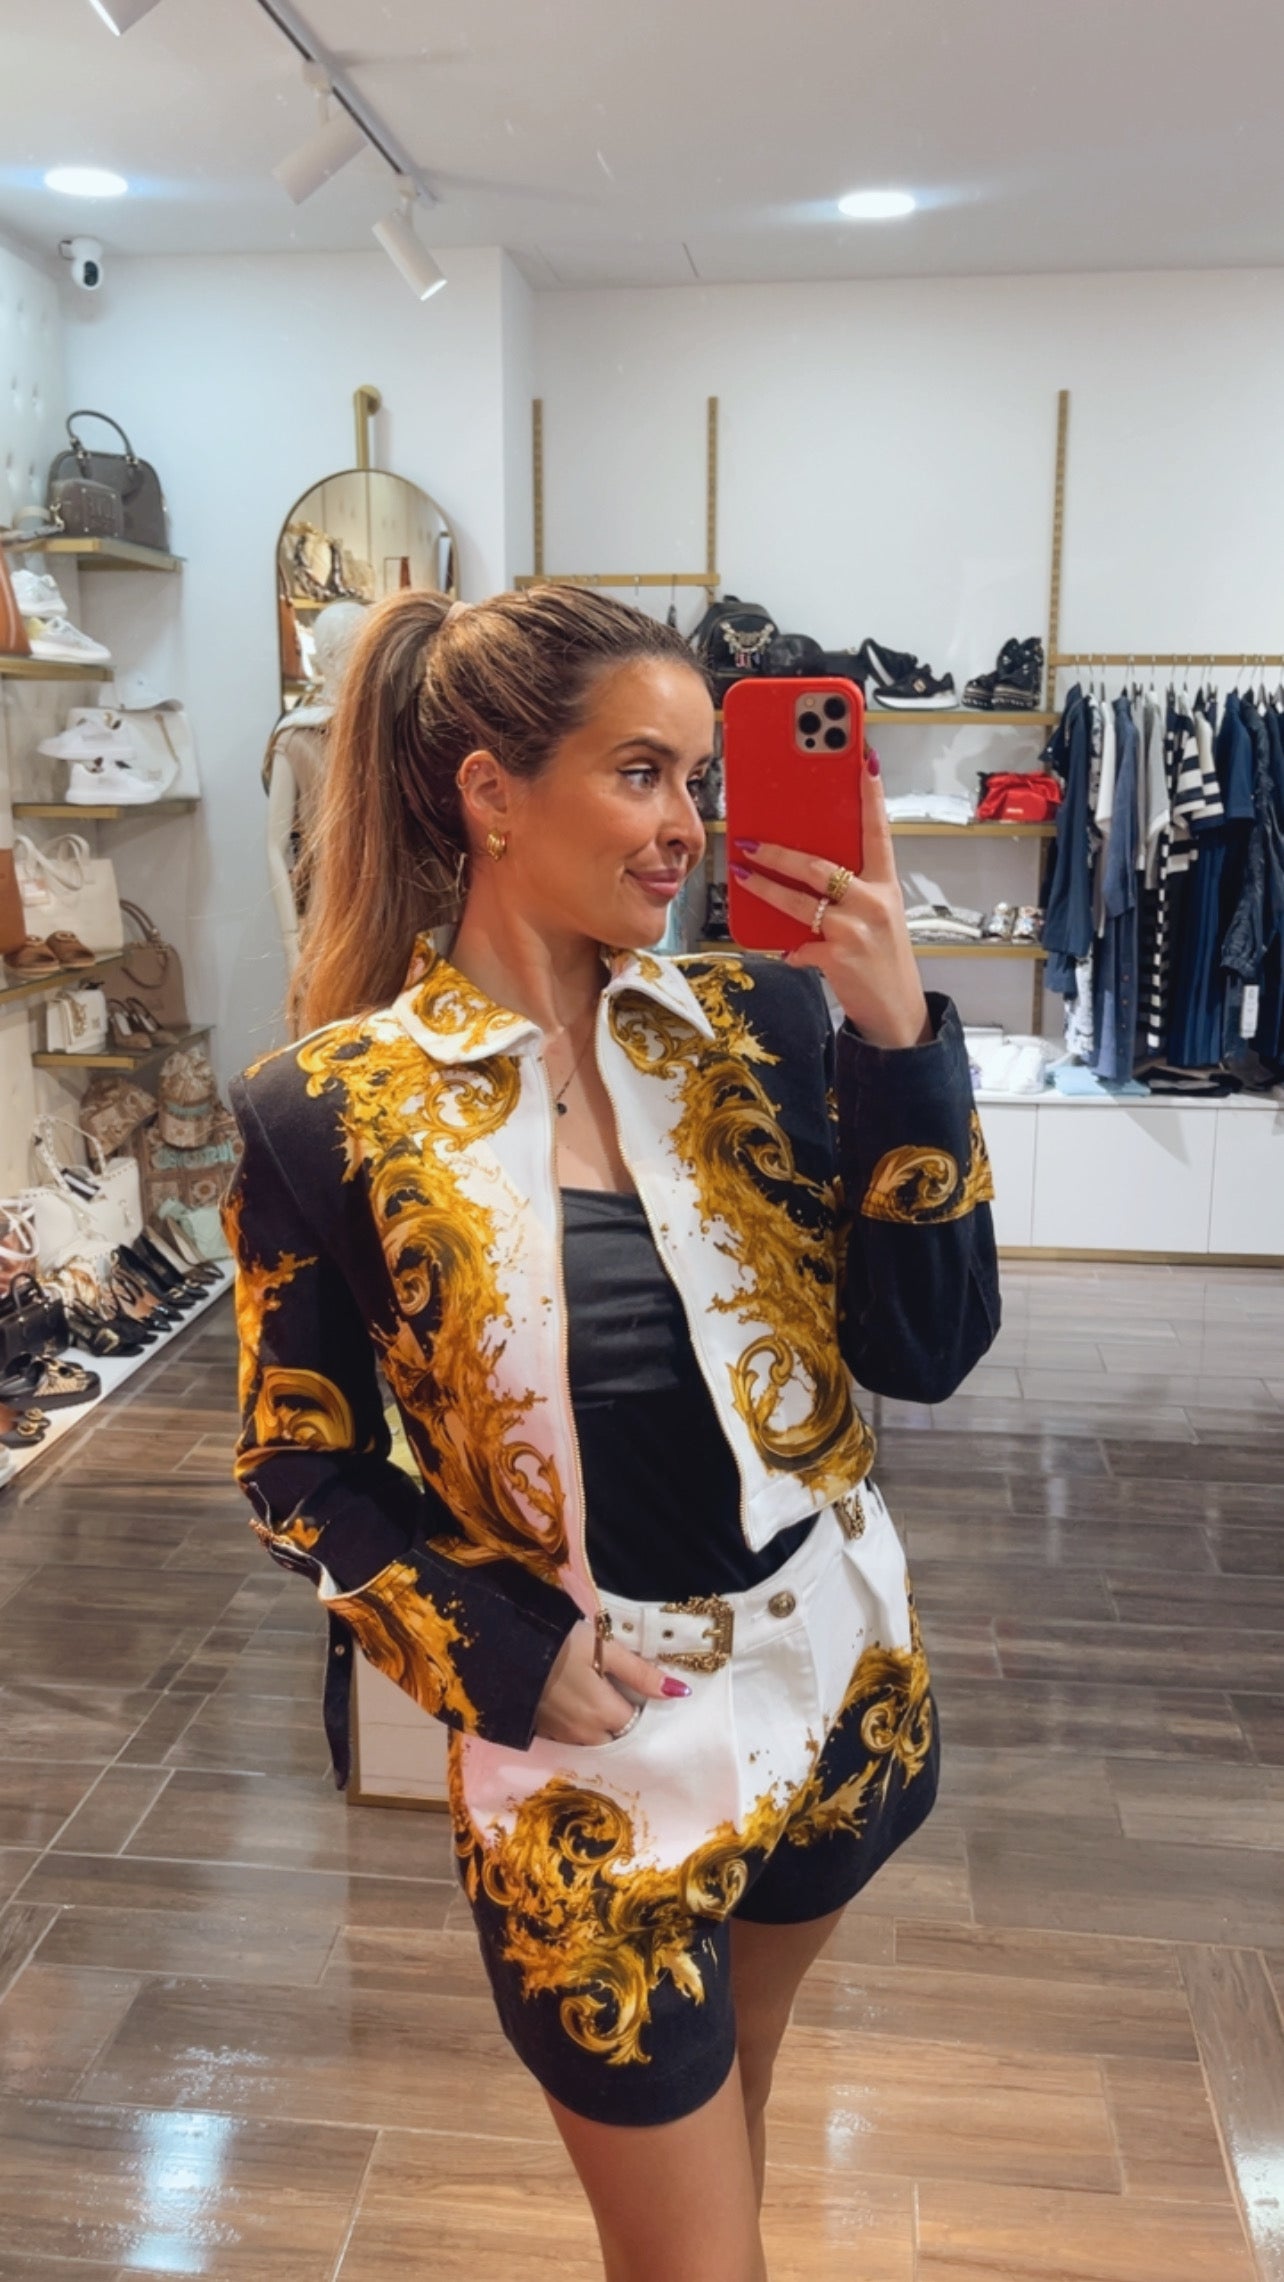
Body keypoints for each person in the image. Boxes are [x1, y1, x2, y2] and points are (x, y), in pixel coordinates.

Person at [223, 585, 999, 2282]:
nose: (688, 826)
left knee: (741, 2102)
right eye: (641, 773)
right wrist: (496, 1651)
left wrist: (900, 1046)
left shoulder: (766, 1025)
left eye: (698, 780)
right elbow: (294, 1465)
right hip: (591, 1767)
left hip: (838, 1696)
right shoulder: (328, 1110)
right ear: (492, 793)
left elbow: (925, 1352)